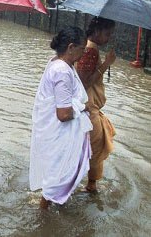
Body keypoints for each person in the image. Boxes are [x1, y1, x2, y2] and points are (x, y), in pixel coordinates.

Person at [29, 27, 93, 209]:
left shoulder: (58, 63)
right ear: (71, 47)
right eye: (83, 49)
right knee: (57, 175)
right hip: (59, 133)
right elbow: (63, 114)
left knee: (56, 172)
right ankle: (43, 215)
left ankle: (50, 204)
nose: (83, 54)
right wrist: (83, 107)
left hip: (56, 132)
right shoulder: (62, 71)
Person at [76, 17, 116, 193]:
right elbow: (85, 82)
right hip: (89, 106)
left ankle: (90, 184)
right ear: (97, 31)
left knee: (91, 146)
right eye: (107, 34)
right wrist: (106, 64)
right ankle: (90, 185)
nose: (108, 38)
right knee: (96, 146)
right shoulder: (91, 50)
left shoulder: (85, 46)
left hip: (87, 105)